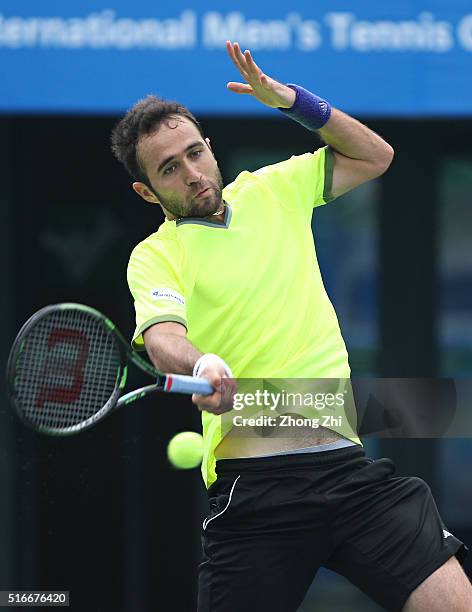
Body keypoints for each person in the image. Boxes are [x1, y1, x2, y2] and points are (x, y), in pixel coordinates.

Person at [111, 41, 471, 612]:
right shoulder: (156, 255)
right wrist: (201, 362)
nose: (193, 173)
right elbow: (162, 340)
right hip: (256, 493)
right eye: (169, 168)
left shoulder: (271, 189)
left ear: (210, 147)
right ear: (146, 190)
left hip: (349, 471)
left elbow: (376, 156)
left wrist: (289, 101)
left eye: (195, 152)